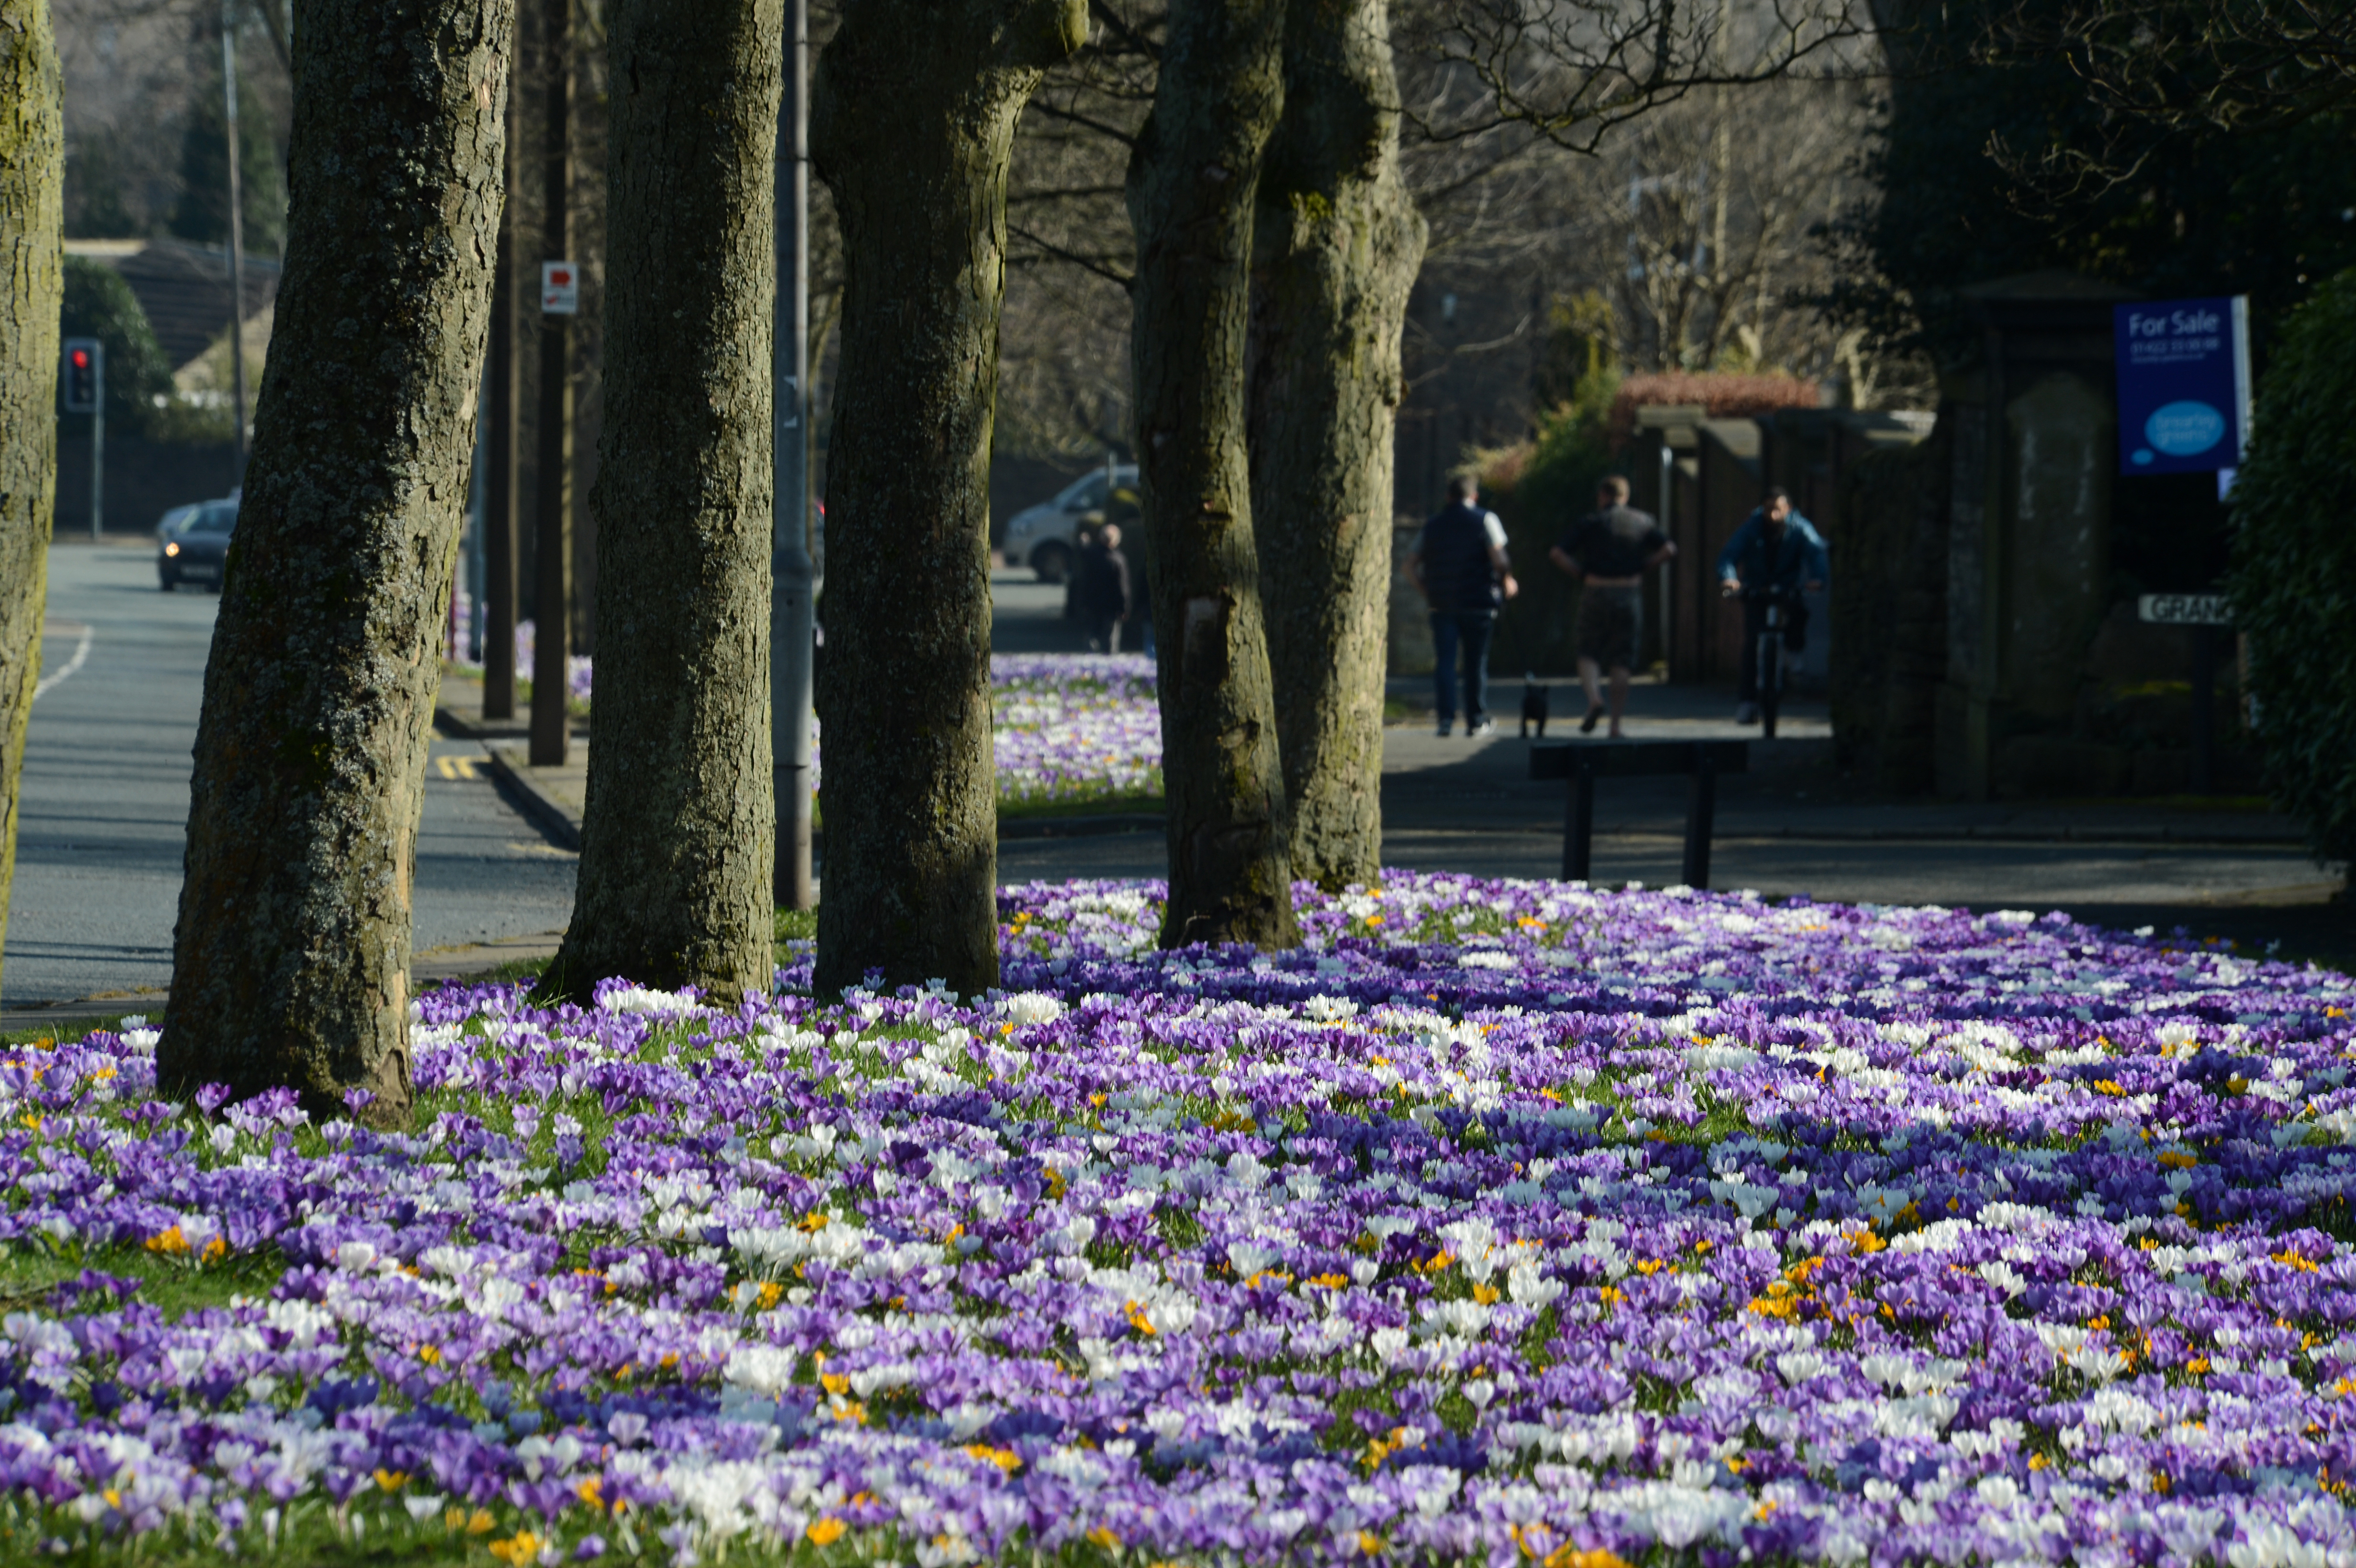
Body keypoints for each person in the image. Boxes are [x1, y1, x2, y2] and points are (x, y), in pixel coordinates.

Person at [1549, 476, 1674, 740]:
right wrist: (1644, 567)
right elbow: (1669, 549)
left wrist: (1581, 574)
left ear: (1602, 495)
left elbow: (1558, 554)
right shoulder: (1643, 521)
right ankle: (1615, 725)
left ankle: (1595, 699)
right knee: (1623, 658)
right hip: (1629, 592)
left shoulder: (1591, 522)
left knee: (1587, 651)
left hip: (1596, 589)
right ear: (1625, 496)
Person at [1407, 475, 1517, 736]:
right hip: (1478, 603)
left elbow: (1408, 565)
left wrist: (1428, 591)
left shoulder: (1433, 526)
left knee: (1445, 662)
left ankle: (1445, 720)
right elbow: (1500, 561)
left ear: (1448, 497)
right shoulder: (1485, 520)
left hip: (1442, 604)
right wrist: (1507, 581)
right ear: (1474, 497)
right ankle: (1476, 719)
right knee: (1475, 663)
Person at [1715, 485, 1830, 724]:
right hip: (1757, 588)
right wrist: (1729, 578)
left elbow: (1817, 552)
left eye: (1778, 510)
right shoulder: (1751, 528)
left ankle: (1794, 651)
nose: (1773, 515)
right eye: (1768, 509)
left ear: (1789, 509)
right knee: (1752, 643)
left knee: (1798, 613)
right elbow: (1729, 555)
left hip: (1787, 586)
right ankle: (1747, 702)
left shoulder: (1801, 529)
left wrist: (1818, 578)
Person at [1076, 522, 1133, 653]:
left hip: (1092, 603)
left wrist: (1083, 541)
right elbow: (1122, 586)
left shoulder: (1091, 555)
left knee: (1092, 633)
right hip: (1111, 606)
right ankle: (1110, 661)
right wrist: (1125, 607)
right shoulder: (1118, 560)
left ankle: (1089, 658)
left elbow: (1081, 551)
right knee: (1111, 637)